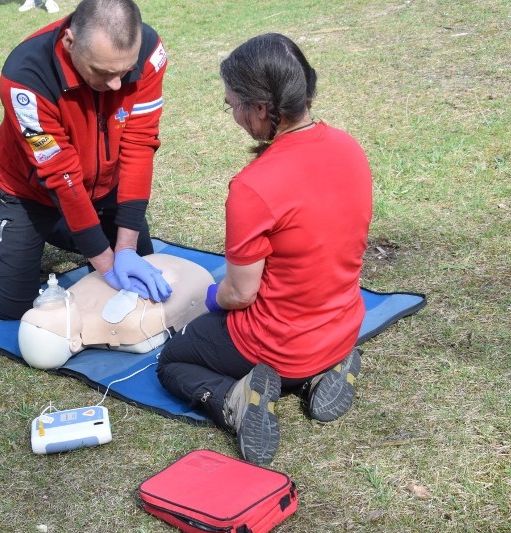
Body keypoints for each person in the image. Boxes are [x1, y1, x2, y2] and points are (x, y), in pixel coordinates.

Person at [156, 33, 372, 465]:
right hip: (343, 323)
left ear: (260, 108)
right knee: (295, 340)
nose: (233, 114)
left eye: (232, 104)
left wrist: (210, 298)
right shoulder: (349, 148)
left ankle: (236, 399)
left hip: (277, 345)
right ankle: (326, 368)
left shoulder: (254, 186)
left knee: (174, 361)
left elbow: (240, 294)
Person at [0, 0, 172, 321]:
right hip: (33, 192)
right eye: (103, 72)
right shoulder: (25, 77)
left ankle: (66, 231)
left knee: (141, 265)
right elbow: (61, 176)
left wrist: (125, 248)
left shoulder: (149, 52)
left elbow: (140, 145)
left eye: (124, 73)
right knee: (11, 305)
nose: (116, 85)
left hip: (105, 186)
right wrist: (105, 262)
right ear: (70, 41)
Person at [18, 253, 213, 369]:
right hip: (192, 276)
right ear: (75, 343)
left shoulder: (72, 298)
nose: (48, 303)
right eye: (50, 313)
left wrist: (125, 250)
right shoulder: (125, 324)